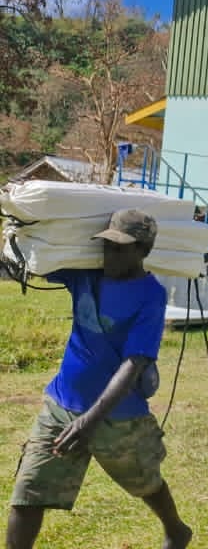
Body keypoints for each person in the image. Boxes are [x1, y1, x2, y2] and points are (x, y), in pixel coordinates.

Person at [7, 209, 192, 549]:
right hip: (61, 406)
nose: (111, 255)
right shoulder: (85, 277)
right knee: (28, 493)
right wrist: (14, 240)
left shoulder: (150, 295)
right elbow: (33, 261)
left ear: (143, 251)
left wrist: (91, 421)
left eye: (121, 249)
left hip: (119, 417)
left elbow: (134, 363)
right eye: (108, 246)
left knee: (145, 482)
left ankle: (176, 529)